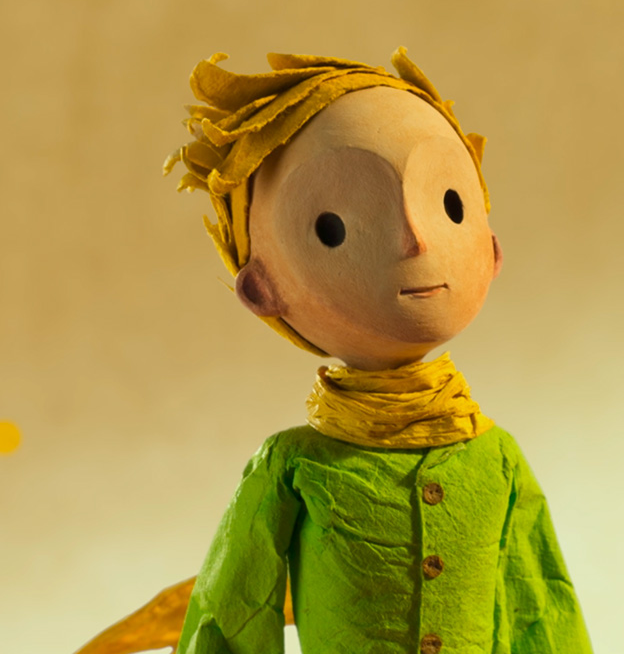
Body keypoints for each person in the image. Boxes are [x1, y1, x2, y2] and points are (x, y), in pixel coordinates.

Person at [77, 48, 592, 654]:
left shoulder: (497, 460)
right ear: (261, 288)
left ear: (492, 249)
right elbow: (235, 605)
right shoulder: (293, 466)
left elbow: (540, 609)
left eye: (450, 205)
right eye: (334, 227)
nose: (415, 238)